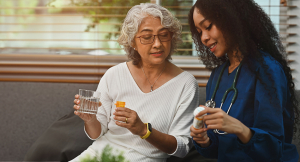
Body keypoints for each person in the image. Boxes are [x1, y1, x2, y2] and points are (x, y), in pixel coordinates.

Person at [71, 3, 199, 162]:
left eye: (164, 35)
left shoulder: (185, 84)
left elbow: (182, 148)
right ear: (132, 42)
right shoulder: (114, 75)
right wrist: (90, 120)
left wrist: (143, 130)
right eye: (147, 37)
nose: (157, 44)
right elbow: (97, 133)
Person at [188, 0, 299, 161]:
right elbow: (218, 148)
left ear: (231, 18)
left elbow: (274, 150)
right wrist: (205, 141)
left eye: (208, 26)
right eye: (199, 32)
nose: (204, 38)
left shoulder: (267, 71)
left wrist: (240, 129)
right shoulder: (216, 77)